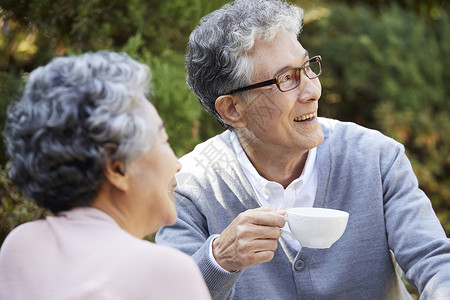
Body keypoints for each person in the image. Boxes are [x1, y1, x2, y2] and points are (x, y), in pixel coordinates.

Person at [155, 0, 450, 299]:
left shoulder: (376, 158)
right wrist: (219, 260)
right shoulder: (189, 187)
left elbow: (435, 263)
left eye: (307, 67)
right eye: (286, 78)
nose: (313, 90)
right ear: (233, 109)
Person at [0, 51, 211, 300]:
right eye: (163, 140)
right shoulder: (167, 272)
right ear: (118, 167)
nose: (177, 163)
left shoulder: (20, 246)